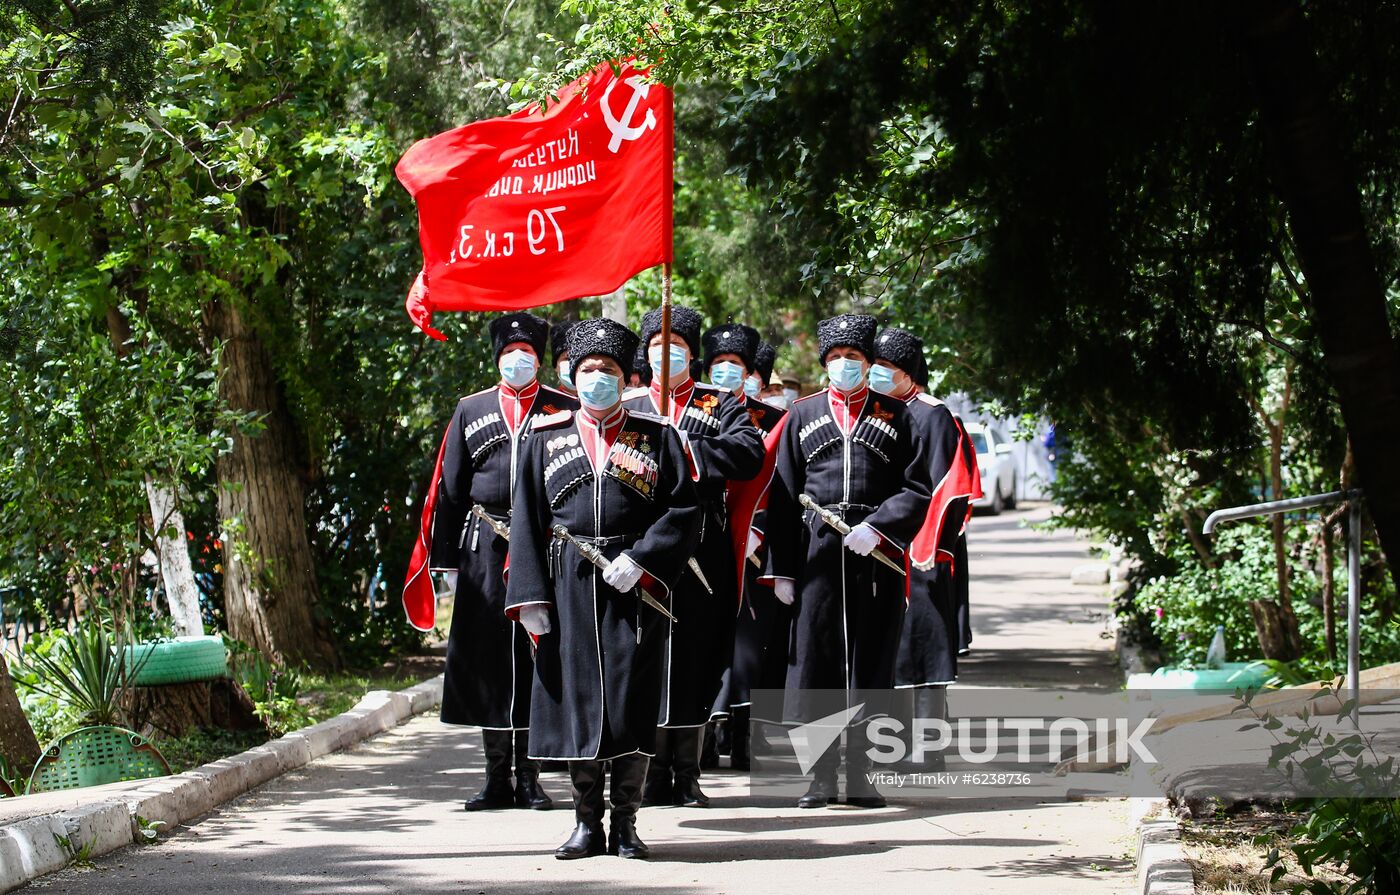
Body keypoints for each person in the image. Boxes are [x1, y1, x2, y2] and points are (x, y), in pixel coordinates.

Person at [505, 318, 701, 860]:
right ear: (572, 376)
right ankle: (586, 822)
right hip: (568, 581)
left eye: (608, 370)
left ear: (625, 375)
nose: (598, 379)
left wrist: (642, 560)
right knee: (579, 704)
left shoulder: (658, 437)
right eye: (588, 370)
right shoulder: (545, 439)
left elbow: (684, 512)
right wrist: (530, 597)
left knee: (629, 701)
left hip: (634, 587)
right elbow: (526, 522)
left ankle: (627, 825)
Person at [761, 314, 932, 808]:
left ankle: (860, 772)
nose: (842, 366)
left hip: (873, 551)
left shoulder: (898, 415)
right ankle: (818, 777)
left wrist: (881, 526)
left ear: (867, 362)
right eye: (834, 358)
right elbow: (784, 491)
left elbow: (918, 486)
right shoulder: (802, 413)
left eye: (852, 358)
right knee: (817, 663)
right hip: (816, 550)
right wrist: (782, 569)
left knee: (869, 661)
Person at [425, 311, 577, 812]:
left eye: (529, 354)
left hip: (545, 546)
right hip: (484, 548)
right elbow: (449, 488)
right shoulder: (471, 409)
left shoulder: (564, 408)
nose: (519, 360)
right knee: (490, 658)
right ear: (497, 358)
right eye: (510, 354)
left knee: (538, 653)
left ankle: (531, 777)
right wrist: (443, 559)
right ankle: (495, 778)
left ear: (540, 359)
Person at [623, 307, 765, 808]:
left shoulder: (719, 402)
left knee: (695, 658)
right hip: (640, 547)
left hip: (703, 546)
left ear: (691, 352)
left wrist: (685, 453)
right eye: (659, 343)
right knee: (643, 659)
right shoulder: (627, 403)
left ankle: (686, 774)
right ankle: (644, 773)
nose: (669, 352)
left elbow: (748, 453)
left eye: (679, 344)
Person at [871, 327, 979, 769]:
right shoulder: (877, 412)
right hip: (876, 542)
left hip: (925, 546)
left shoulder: (934, 416)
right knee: (887, 646)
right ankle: (887, 741)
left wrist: (926, 544)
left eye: (888, 369)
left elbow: (947, 486)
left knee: (926, 643)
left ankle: (929, 742)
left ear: (908, 373)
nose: (878, 375)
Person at [704, 329, 789, 771]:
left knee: (754, 649)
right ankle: (701, 741)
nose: (727, 370)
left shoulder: (773, 418)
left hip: (755, 550)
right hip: (705, 543)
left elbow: (787, 485)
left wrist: (759, 528)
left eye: (736, 363)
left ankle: (745, 739)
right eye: (719, 361)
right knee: (706, 642)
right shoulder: (700, 409)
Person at [551, 321, 577, 397]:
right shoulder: (546, 403)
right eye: (567, 358)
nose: (573, 363)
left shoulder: (604, 406)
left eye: (577, 358)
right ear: (556, 366)